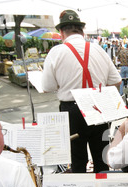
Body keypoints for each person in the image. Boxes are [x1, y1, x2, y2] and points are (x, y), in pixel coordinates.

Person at [41, 10, 122, 173]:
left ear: (62, 32)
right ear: (82, 31)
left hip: (72, 110)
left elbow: (47, 87)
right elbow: (116, 80)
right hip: (98, 107)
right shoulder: (98, 49)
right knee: (101, 157)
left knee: (77, 159)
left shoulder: (56, 52)